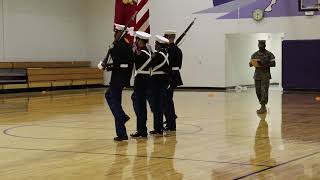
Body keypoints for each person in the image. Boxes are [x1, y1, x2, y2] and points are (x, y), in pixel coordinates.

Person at [98, 24, 133, 141]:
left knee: (112, 98)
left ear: (119, 33)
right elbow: (128, 64)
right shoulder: (128, 46)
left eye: (116, 32)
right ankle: (122, 132)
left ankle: (122, 120)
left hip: (117, 78)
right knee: (113, 99)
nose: (114, 34)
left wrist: (107, 65)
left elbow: (114, 61)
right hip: (124, 78)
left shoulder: (115, 46)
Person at [130, 31, 152, 138]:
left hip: (140, 82)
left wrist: (133, 50)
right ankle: (142, 129)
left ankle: (142, 130)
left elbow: (132, 59)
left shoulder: (141, 54)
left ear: (140, 40)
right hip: (147, 81)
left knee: (139, 107)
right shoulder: (149, 52)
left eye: (137, 40)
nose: (136, 42)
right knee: (142, 107)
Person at [149, 35, 170, 135]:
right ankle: (159, 127)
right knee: (159, 105)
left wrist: (152, 55)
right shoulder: (166, 53)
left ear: (159, 44)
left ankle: (158, 128)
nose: (155, 46)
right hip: (162, 82)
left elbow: (150, 64)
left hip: (156, 81)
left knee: (157, 106)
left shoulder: (158, 55)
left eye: (156, 44)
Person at [163, 30, 183, 131]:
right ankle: (171, 121)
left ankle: (171, 122)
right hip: (175, 76)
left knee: (167, 101)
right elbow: (179, 66)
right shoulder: (178, 50)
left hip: (169, 76)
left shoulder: (168, 50)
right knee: (168, 100)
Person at [249, 40, 276, 114]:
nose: (260, 47)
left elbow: (273, 63)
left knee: (264, 91)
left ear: (265, 46)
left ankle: (263, 106)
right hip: (257, 75)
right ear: (258, 45)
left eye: (262, 46)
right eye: (259, 46)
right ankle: (261, 104)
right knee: (258, 91)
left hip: (265, 75)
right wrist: (252, 63)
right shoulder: (254, 54)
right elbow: (250, 63)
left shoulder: (269, 54)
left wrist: (264, 64)